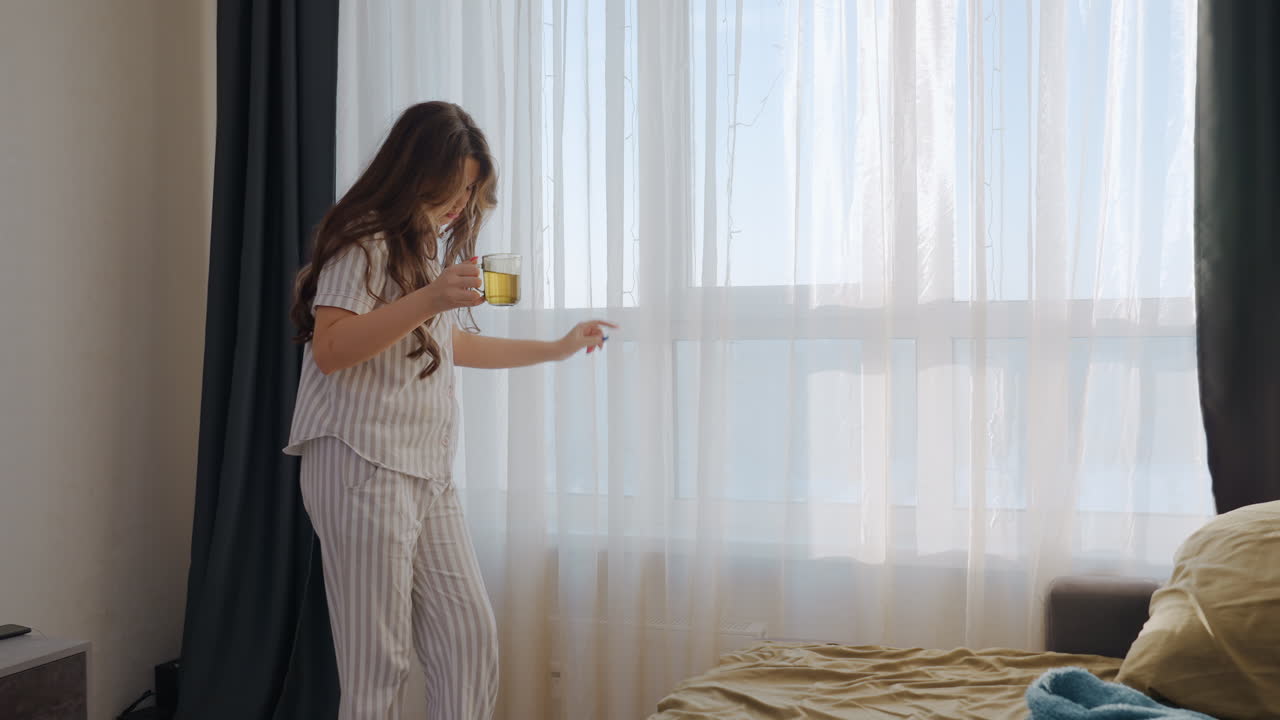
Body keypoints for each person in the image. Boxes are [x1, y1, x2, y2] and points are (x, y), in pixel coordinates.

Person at [285, 101, 613, 720]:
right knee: (376, 667)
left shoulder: (420, 251)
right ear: (415, 174)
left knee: (469, 640)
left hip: (423, 471)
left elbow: (450, 344)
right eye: (453, 187)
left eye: (470, 191)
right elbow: (331, 350)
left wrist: (558, 347)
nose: (461, 204)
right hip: (360, 463)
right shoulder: (362, 242)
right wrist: (433, 295)